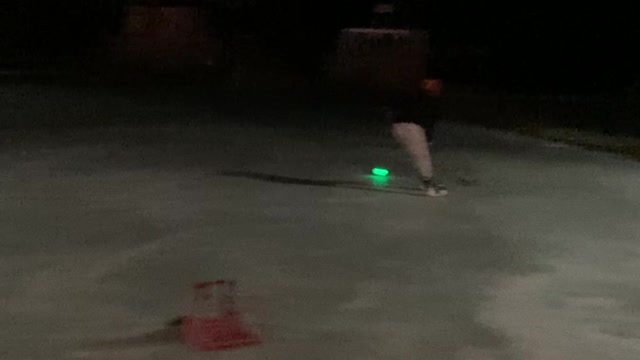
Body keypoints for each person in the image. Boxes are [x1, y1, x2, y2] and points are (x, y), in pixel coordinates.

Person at [387, 78, 447, 197]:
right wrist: (429, 138)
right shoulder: (431, 101)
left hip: (398, 126)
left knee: (417, 154)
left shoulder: (415, 96)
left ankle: (427, 182)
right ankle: (428, 185)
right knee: (422, 156)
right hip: (412, 127)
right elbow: (429, 120)